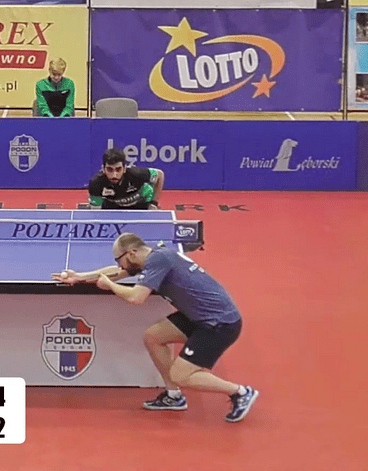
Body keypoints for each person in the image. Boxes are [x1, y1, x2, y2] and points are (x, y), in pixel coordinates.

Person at [53, 233, 259, 423]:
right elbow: (116, 272)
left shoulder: (158, 261)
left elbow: (136, 297)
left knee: (182, 376)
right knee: (154, 337)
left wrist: (111, 286)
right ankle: (174, 396)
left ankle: (240, 392)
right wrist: (80, 276)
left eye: (119, 259)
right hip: (198, 315)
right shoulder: (154, 257)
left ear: (132, 253)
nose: (118, 264)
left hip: (219, 323)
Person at [88, 148, 164, 209]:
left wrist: (154, 202)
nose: (114, 175)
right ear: (103, 169)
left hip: (141, 202)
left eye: (118, 169)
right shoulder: (96, 184)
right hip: (114, 205)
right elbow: (96, 212)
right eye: (109, 169)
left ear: (124, 169)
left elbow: (160, 174)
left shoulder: (136, 174)